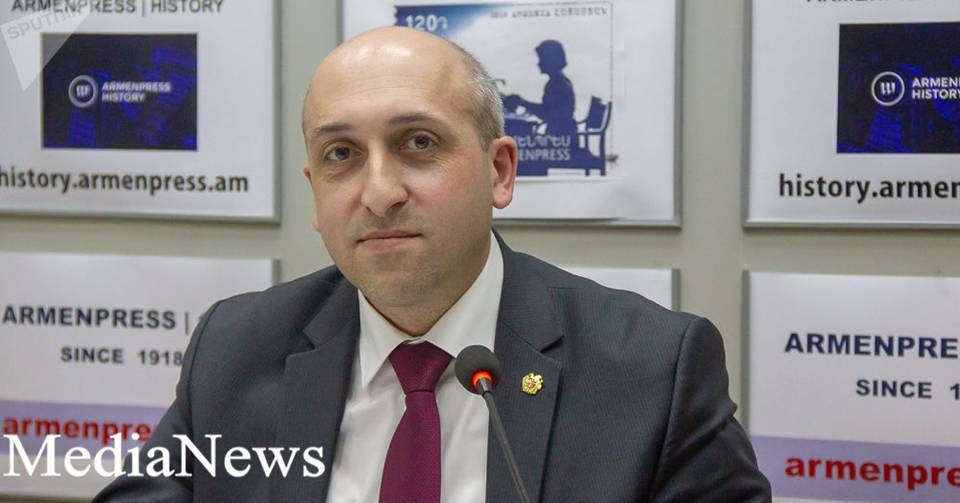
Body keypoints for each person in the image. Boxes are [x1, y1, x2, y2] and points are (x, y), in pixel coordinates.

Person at [93, 26, 771, 502]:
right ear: (315, 191)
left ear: (500, 171)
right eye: (341, 155)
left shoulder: (653, 370)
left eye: (418, 143)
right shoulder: (236, 347)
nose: (379, 192)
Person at [502, 39, 578, 137]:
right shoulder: (556, 82)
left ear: (551, 60)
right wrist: (523, 103)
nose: (539, 63)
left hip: (561, 137)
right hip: (561, 134)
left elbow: (550, 114)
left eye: (542, 59)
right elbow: (549, 111)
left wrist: (523, 103)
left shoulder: (559, 84)